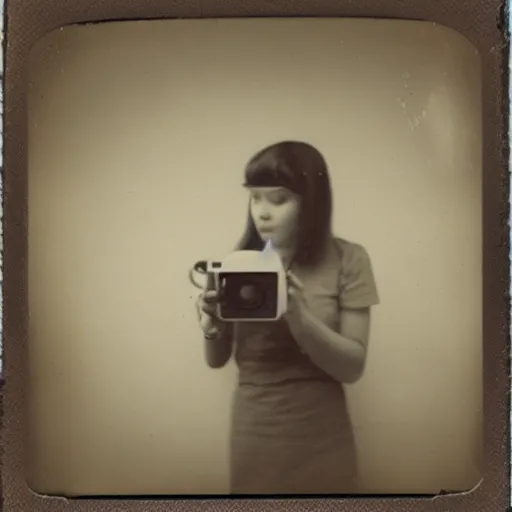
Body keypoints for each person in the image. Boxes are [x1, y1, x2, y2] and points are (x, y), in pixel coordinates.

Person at [195, 140, 380, 495]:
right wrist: (211, 327)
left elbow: (352, 367)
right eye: (254, 197)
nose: (261, 212)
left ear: (310, 202)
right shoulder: (239, 264)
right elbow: (217, 360)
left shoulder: (349, 258)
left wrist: (298, 314)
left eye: (278, 200)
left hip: (323, 433)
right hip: (256, 429)